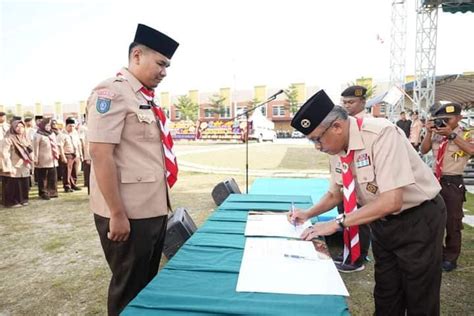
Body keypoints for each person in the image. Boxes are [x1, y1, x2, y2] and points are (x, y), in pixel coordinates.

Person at [288, 90, 446, 315]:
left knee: (419, 294)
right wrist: (307, 214)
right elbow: (336, 194)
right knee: (386, 292)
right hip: (381, 223)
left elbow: (392, 201)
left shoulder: (381, 134)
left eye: (316, 139)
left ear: (337, 127)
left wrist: (337, 222)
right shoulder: (336, 147)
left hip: (417, 219)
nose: (317, 147)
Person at [86, 23, 179, 315]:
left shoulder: (143, 98)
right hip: (128, 214)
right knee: (129, 288)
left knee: (147, 285)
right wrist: (116, 214)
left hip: (152, 209)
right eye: (161, 63)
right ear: (137, 55)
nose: (164, 71)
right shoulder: (111, 92)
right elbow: (101, 154)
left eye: (168, 66)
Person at [420, 102, 474, 272]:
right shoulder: (436, 133)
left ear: (459, 118)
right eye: (439, 119)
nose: (442, 122)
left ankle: (451, 257)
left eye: (447, 119)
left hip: (452, 182)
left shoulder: (466, 134)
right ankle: (437, 253)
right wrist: (429, 132)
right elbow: (424, 149)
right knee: (432, 220)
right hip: (434, 181)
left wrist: (452, 135)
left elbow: (472, 150)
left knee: (452, 221)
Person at [333, 85, 372, 272]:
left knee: (360, 220)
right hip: (345, 180)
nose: (347, 106)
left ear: (363, 102)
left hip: (362, 181)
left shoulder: (369, 125)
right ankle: (348, 250)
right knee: (344, 216)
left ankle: (358, 256)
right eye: (344, 102)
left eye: (352, 102)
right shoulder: (342, 124)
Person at [0, 119, 33, 207]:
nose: (20, 128)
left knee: (24, 183)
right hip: (13, 164)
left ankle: (23, 200)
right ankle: (12, 202)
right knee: (13, 184)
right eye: (17, 126)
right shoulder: (8, 139)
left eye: (22, 126)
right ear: (13, 127)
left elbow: (29, 150)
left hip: (23, 165)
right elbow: (4, 154)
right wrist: (9, 167)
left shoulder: (24, 138)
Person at [33, 117, 59, 199]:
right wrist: (35, 158)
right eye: (47, 125)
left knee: (53, 176)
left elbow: (55, 145)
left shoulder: (52, 133)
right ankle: (43, 192)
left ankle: (52, 191)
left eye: (49, 125)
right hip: (42, 159)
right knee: (43, 177)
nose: (48, 127)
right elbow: (35, 148)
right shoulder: (38, 134)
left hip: (52, 159)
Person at [58, 118, 83, 192]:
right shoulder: (62, 134)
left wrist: (81, 154)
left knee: (74, 171)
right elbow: (60, 146)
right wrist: (63, 156)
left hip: (75, 154)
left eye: (73, 126)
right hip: (67, 154)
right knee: (67, 171)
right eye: (70, 126)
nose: (72, 127)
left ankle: (73, 184)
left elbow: (79, 144)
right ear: (66, 126)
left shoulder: (75, 133)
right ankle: (67, 186)